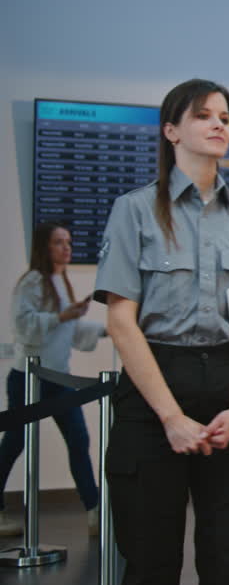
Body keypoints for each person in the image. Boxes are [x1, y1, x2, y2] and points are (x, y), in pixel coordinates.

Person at [94, 78, 229, 585]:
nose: (218, 125)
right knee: (152, 565)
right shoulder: (135, 210)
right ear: (171, 130)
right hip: (155, 393)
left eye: (225, 117)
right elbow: (121, 321)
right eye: (204, 115)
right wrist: (171, 418)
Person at [0, 221, 108, 537]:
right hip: (29, 378)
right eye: (59, 242)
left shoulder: (61, 282)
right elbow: (24, 326)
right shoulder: (32, 282)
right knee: (15, 443)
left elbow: (68, 330)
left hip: (58, 379)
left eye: (68, 242)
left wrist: (107, 330)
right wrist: (63, 316)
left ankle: (94, 510)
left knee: (78, 440)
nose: (66, 248)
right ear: (44, 247)